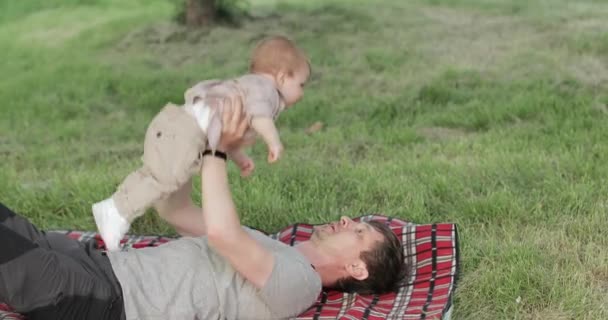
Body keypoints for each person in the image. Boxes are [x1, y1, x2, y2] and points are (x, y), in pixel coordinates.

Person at [0, 100, 408, 320]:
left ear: (358, 269)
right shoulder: (269, 245)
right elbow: (175, 211)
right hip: (99, 266)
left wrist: (218, 148)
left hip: (100, 301)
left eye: (358, 232)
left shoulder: (302, 283)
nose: (345, 221)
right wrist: (180, 154)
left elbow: (221, 234)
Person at [92, 35, 311, 251]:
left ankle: (198, 242)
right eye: (301, 84)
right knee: (163, 179)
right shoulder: (265, 88)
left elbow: (225, 131)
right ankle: (116, 210)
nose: (302, 92)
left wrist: (240, 158)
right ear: (282, 77)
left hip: (178, 127)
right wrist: (273, 142)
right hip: (185, 131)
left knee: (165, 187)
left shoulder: (248, 86)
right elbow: (259, 116)